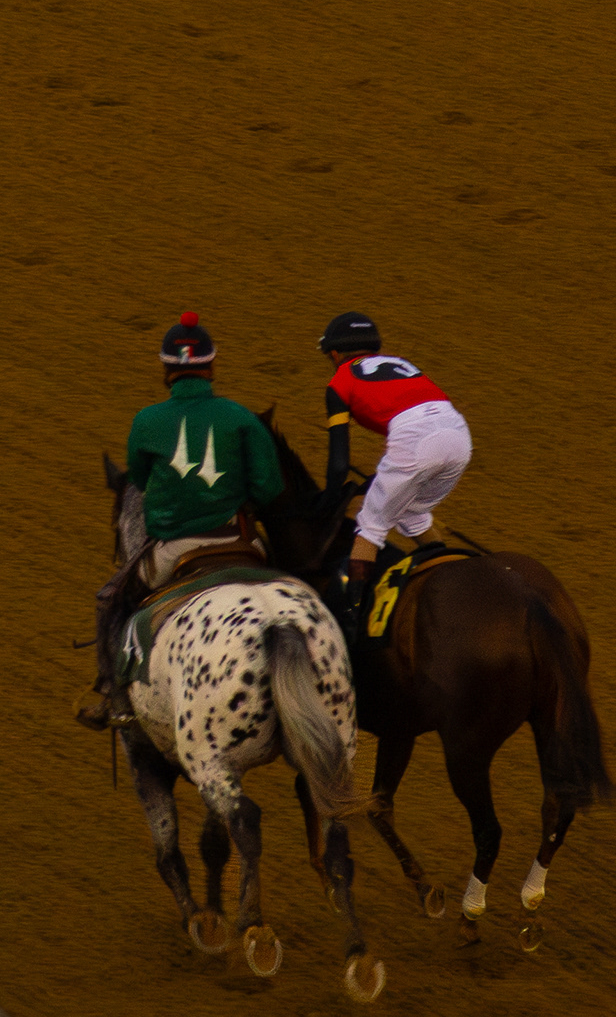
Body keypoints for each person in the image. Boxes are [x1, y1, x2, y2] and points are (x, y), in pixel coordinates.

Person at [76, 312, 285, 729]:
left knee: (110, 601)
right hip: (244, 544)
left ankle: (114, 696)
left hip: (174, 552)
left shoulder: (147, 421)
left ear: (167, 370)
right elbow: (269, 489)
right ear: (211, 366)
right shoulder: (241, 417)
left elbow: (136, 480)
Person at [321, 312, 472, 601]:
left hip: (414, 439)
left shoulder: (340, 381)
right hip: (458, 435)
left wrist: (328, 502)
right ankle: (450, 580)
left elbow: (339, 463)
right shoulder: (402, 364)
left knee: (371, 526)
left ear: (337, 353)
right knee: (411, 512)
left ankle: (351, 611)